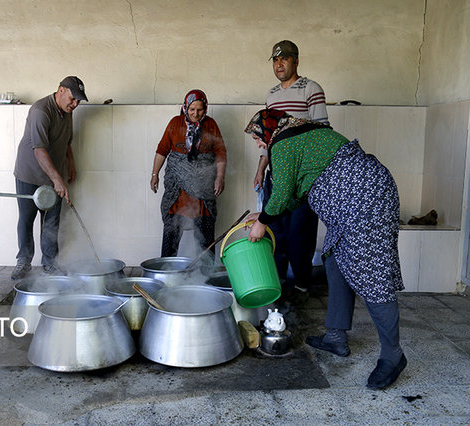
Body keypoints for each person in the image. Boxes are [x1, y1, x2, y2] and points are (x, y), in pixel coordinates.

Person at [244, 109, 407, 390]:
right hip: (356, 200)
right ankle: (336, 336)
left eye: (258, 138)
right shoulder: (298, 137)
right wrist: (262, 218)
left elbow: (281, 194)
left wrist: (264, 222)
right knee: (333, 258)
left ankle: (393, 355)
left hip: (363, 200)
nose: (259, 145)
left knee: (373, 276)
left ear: (268, 132)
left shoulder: (282, 143)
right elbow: (295, 197)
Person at [254, 40, 329, 296]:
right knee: (276, 233)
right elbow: (268, 138)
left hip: (302, 180)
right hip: (276, 173)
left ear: (296, 60)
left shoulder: (311, 89)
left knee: (301, 235)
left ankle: (301, 285)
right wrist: (261, 168)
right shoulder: (271, 95)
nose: (279, 64)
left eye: (284, 59)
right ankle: (277, 287)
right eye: (275, 60)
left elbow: (322, 133)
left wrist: (314, 177)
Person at [11, 76, 87, 280]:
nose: (75, 104)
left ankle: (50, 264)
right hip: (29, 174)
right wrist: (57, 180)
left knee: (52, 221)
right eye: (72, 99)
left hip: (54, 174)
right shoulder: (40, 111)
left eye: (78, 101)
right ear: (60, 90)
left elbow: (67, 141)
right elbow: (39, 150)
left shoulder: (67, 111)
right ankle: (23, 262)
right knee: (27, 219)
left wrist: (70, 165)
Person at [150, 89, 227, 263]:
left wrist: (219, 177)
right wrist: (154, 174)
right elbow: (162, 151)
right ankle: (167, 269)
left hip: (203, 188)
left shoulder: (211, 125)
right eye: (192, 109)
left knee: (205, 232)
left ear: (205, 108)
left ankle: (205, 273)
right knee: (172, 230)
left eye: (199, 109)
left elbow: (220, 152)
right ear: (185, 107)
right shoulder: (175, 123)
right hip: (178, 189)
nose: (195, 114)